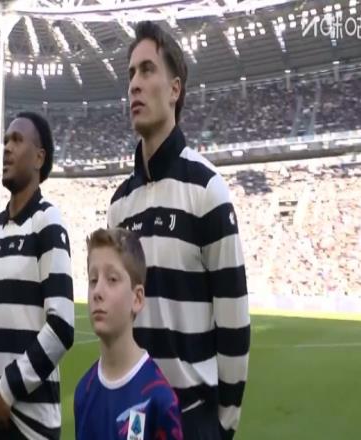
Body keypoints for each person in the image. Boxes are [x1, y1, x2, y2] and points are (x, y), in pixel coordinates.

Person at [107, 22, 250, 440]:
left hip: (191, 418)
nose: (134, 84)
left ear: (174, 90)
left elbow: (234, 321)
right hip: (130, 416)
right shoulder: (119, 205)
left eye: (147, 69)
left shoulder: (207, 190)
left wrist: (221, 425)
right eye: (131, 73)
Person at [0, 112, 74, 439]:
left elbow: (62, 325)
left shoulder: (48, 223)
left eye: (16, 140)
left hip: (32, 425)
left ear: (39, 158)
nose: (7, 148)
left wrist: (8, 389)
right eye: (5, 141)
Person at [74, 228, 182, 440]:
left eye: (112, 279)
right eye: (93, 280)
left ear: (137, 298)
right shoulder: (83, 391)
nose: (97, 292)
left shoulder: (159, 400)